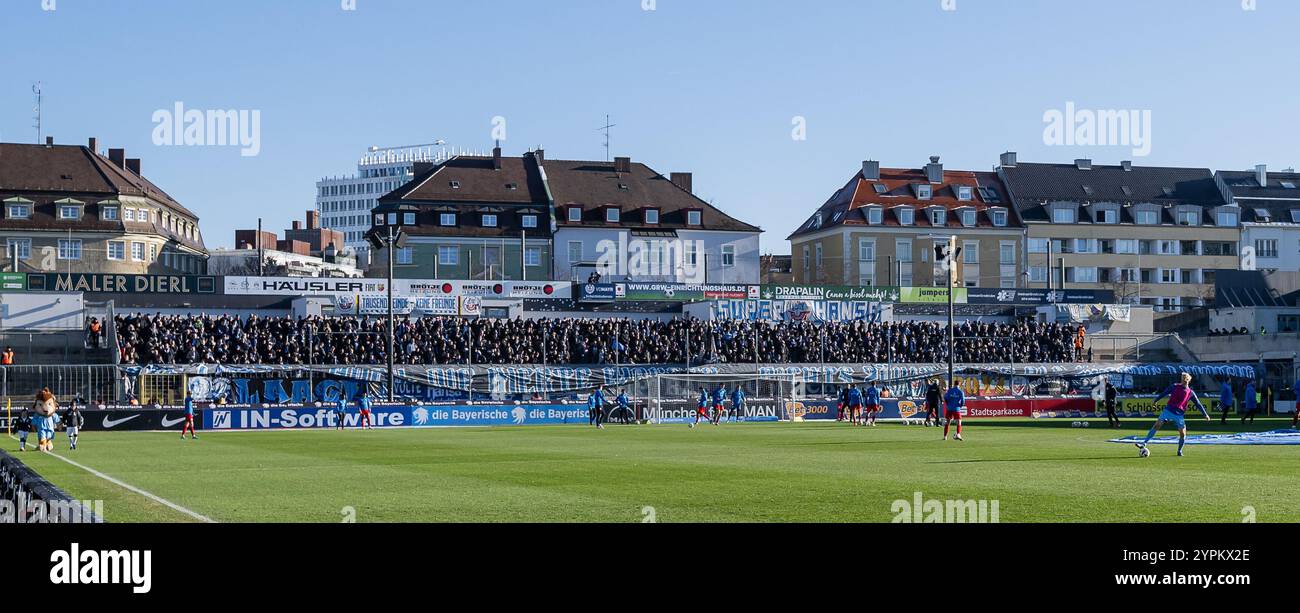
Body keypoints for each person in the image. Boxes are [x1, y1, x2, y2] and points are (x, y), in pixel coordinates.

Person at [1137, 372, 1210, 457]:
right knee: (1157, 425)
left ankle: (1179, 451)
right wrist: (1156, 400)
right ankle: (1144, 443)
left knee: (1183, 434)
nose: (1183, 380)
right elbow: (1164, 393)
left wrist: (1205, 414)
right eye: (1182, 378)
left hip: (1179, 415)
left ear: (1188, 380)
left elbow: (1198, 404)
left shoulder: (1191, 392)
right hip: (1168, 410)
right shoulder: (1174, 386)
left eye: (1185, 379)